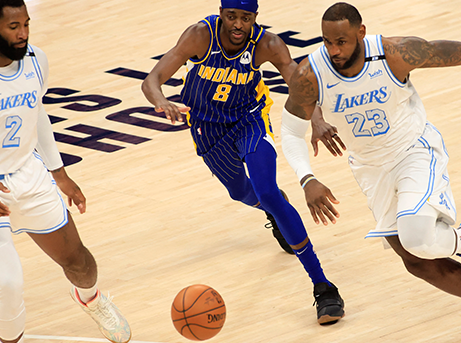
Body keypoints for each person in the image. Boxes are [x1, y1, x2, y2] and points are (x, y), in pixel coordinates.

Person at [281, 2, 461, 343]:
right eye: (328, 42)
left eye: (341, 41)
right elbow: (290, 131)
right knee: (416, 262)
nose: (334, 50)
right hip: (370, 169)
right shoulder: (310, 74)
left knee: (417, 236)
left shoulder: (394, 54)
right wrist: (306, 178)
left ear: (361, 32)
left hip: (413, 151)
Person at [141, 0, 345, 325]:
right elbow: (152, 80)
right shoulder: (199, 36)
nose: (237, 24)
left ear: (255, 18)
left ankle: (323, 287)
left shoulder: (268, 44)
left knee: (267, 189)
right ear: (221, 13)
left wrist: (317, 120)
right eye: (231, 16)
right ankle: (273, 210)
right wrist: (161, 100)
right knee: (241, 193)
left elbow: (299, 84)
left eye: (245, 18)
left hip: (248, 119)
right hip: (207, 127)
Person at [0, 0, 131, 343]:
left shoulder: (35, 60)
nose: (23, 34)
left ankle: (90, 299)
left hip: (28, 175)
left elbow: (37, 112)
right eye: (14, 27)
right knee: (8, 280)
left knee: (81, 263)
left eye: (27, 24)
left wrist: (59, 173)